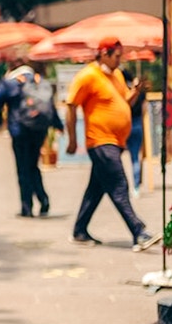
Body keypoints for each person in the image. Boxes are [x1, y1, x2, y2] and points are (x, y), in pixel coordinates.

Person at [65, 37, 160, 251]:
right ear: (104, 54)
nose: (120, 60)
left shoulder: (116, 75)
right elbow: (71, 106)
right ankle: (139, 231)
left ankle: (79, 231)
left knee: (96, 190)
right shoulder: (88, 76)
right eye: (117, 56)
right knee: (119, 184)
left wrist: (135, 91)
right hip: (100, 140)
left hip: (116, 141)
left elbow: (123, 101)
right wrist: (72, 139)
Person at [0, 61, 63, 217]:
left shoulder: (11, 83)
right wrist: (58, 125)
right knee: (33, 165)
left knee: (23, 169)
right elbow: (50, 106)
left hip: (20, 131)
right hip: (39, 130)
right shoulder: (39, 80)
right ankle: (43, 200)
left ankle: (27, 207)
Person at [121, 68, 146, 198]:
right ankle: (135, 186)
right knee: (135, 158)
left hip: (125, 124)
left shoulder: (121, 91)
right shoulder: (140, 93)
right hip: (137, 124)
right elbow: (144, 110)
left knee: (117, 158)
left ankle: (122, 186)